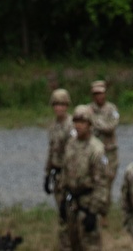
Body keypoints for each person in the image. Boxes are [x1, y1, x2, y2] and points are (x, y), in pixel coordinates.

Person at [59, 104, 111, 250]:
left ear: (89, 124)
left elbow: (101, 183)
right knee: (70, 243)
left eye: (82, 122)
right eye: (76, 122)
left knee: (90, 245)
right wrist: (63, 198)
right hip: (72, 202)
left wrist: (93, 212)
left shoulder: (96, 149)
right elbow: (65, 172)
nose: (79, 126)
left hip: (87, 204)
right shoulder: (70, 145)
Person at [86, 79, 120, 208]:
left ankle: (105, 209)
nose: (99, 96)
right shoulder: (88, 109)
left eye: (101, 93)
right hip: (93, 151)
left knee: (108, 180)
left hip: (109, 150)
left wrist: (95, 122)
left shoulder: (112, 109)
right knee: (93, 179)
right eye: (96, 94)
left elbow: (111, 126)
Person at [45, 86, 74, 214]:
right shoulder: (53, 126)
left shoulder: (72, 125)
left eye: (62, 104)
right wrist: (47, 174)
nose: (59, 108)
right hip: (56, 172)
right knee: (60, 211)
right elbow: (51, 150)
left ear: (67, 106)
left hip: (68, 172)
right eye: (56, 105)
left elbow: (74, 152)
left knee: (68, 210)